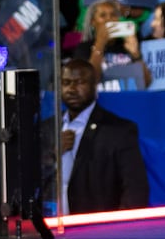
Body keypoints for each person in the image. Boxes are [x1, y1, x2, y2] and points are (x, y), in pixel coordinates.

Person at [58, 58, 149, 215]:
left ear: (95, 87)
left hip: (96, 233)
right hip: (48, 231)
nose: (72, 89)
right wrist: (51, 154)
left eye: (80, 82)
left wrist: (116, 233)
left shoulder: (119, 131)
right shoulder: (47, 128)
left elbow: (135, 190)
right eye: (66, 82)